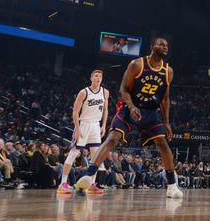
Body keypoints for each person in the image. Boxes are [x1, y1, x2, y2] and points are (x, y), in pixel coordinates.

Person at [75, 37, 183, 199]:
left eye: (167, 45)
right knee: (112, 138)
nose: (165, 47)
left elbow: (165, 98)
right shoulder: (137, 65)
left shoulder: (168, 71)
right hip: (130, 108)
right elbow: (123, 89)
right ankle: (89, 175)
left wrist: (166, 122)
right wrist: (132, 107)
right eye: (161, 44)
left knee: (163, 144)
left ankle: (172, 186)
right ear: (153, 46)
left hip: (151, 112)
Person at [58, 70, 109, 195]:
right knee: (74, 153)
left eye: (100, 76)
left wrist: (103, 125)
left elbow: (106, 109)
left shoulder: (105, 92)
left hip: (96, 125)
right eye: (96, 76)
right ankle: (62, 183)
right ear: (91, 78)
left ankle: (92, 184)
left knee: (96, 156)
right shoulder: (84, 92)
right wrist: (77, 128)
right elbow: (75, 111)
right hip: (83, 124)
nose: (98, 78)